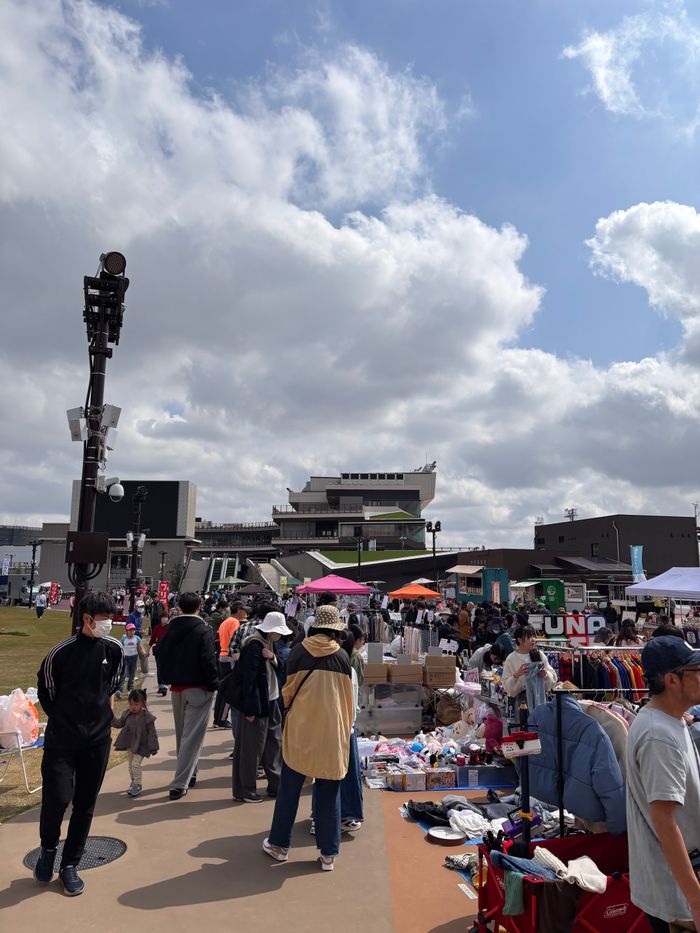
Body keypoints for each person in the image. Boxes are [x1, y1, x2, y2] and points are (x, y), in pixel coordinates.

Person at [33, 591, 123, 896]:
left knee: (85, 804)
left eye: (112, 616)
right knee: (57, 799)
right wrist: (63, 718)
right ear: (86, 618)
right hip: (62, 740)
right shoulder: (60, 652)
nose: (110, 623)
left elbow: (112, 684)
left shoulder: (114, 649)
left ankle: (70, 864)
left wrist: (101, 717)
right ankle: (47, 850)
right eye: (104, 618)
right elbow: (46, 689)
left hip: (97, 741)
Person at [263, 604, 354, 872]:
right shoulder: (342, 657)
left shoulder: (299, 651)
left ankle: (279, 846)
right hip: (332, 732)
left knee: (290, 789)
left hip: (302, 729)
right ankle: (328, 854)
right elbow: (349, 700)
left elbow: (287, 692)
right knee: (329, 792)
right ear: (335, 629)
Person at [625, 636, 700, 931]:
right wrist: (695, 900)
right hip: (679, 894)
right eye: (696, 671)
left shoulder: (668, 720)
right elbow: (664, 820)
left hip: (676, 884)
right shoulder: (659, 736)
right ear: (672, 680)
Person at [156, 592, 218, 800]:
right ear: (199, 606)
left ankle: (190, 773)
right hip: (198, 687)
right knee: (192, 737)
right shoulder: (203, 629)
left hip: (177, 687)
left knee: (183, 735)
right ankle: (180, 782)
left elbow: (160, 652)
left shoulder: (171, 627)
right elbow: (208, 659)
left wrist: (165, 677)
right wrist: (213, 685)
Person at [230, 611, 291, 803]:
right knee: (252, 748)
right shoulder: (253, 645)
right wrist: (249, 710)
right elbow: (249, 680)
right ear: (271, 630)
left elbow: (280, 666)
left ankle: (276, 785)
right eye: (279, 632)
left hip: (271, 700)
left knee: (274, 744)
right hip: (257, 705)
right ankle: (246, 790)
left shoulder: (269, 644)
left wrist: (272, 657)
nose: (281, 635)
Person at [111, 688, 159, 797]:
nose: (133, 707)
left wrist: (153, 747)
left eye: (136, 704)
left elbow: (152, 734)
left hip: (142, 746)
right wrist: (111, 718)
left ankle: (138, 784)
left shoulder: (148, 717)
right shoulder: (127, 714)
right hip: (131, 744)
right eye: (131, 704)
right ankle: (133, 782)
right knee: (130, 766)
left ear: (143, 703)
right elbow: (119, 723)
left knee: (135, 764)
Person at [501, 624, 557, 704]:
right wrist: (516, 675)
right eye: (529, 637)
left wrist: (545, 674)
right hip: (522, 703)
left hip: (541, 700)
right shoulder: (511, 659)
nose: (533, 639)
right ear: (520, 640)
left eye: (534, 636)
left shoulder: (539, 654)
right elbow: (506, 687)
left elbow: (553, 678)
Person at [212, 601, 244, 727]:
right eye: (243, 611)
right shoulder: (235, 622)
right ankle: (222, 719)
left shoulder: (225, 622)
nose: (245, 613)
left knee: (222, 688)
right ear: (239, 611)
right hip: (230, 657)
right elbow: (235, 641)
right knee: (230, 689)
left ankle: (218, 718)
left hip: (222, 655)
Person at [116, 623, 142, 697]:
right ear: (126, 631)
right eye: (130, 630)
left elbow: (140, 647)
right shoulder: (124, 639)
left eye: (133, 630)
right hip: (125, 658)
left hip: (134, 658)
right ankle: (119, 690)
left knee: (132, 674)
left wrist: (144, 654)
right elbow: (119, 648)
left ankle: (130, 689)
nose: (132, 631)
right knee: (123, 674)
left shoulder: (137, 638)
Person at [149, 609, 169, 695]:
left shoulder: (170, 627)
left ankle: (165, 684)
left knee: (166, 667)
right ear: (160, 618)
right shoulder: (157, 627)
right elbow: (152, 639)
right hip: (159, 650)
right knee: (159, 668)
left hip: (168, 650)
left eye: (166, 617)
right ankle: (161, 685)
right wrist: (147, 651)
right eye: (163, 617)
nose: (164, 619)